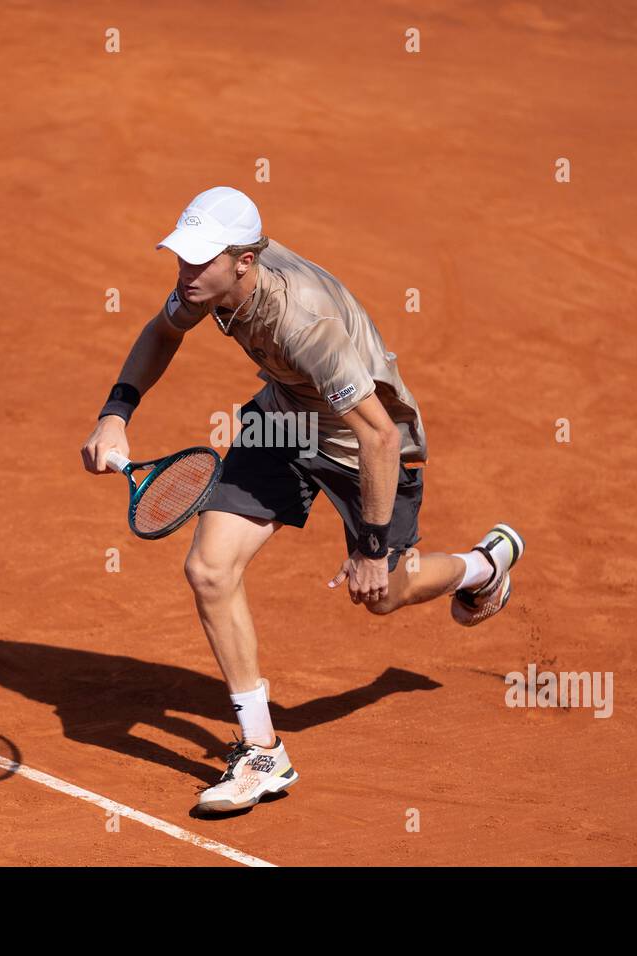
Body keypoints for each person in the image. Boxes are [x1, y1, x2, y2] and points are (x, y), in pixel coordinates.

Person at [81, 186, 524, 814]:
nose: (184, 271)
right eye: (181, 255)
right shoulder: (208, 285)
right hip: (283, 421)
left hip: (364, 448)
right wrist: (115, 414)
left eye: (199, 259)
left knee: (382, 595)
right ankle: (262, 751)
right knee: (209, 569)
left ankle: (484, 565)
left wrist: (372, 549)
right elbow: (161, 332)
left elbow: (377, 435)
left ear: (242, 260)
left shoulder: (302, 324)